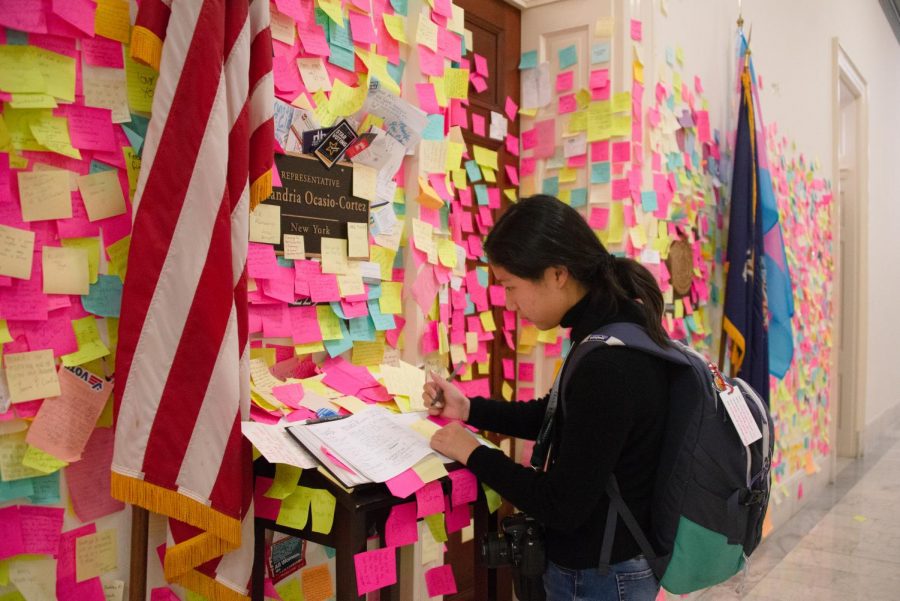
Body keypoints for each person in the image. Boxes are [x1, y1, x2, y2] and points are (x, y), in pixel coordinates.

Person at [423, 195, 669, 601]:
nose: (510, 303)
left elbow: (561, 505)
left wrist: (475, 454)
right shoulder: (616, 327)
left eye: (510, 286)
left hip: (600, 575)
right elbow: (561, 417)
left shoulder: (609, 364)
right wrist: (468, 408)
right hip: (616, 561)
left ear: (557, 274)